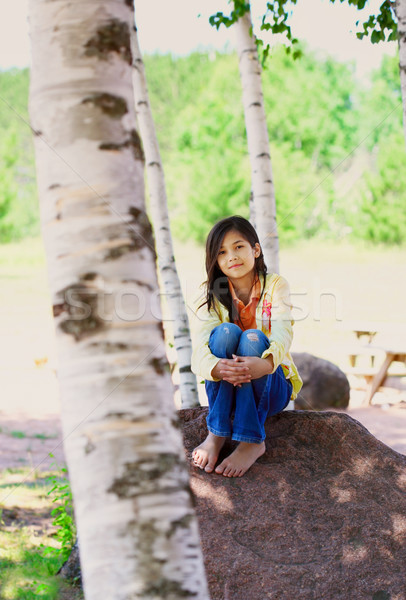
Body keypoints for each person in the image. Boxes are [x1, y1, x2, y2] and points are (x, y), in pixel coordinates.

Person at [191, 215, 302, 478]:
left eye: (238, 247)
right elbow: (199, 351)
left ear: (255, 249)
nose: (232, 256)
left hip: (270, 386)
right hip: (228, 387)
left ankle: (251, 440)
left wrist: (264, 364)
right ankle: (217, 433)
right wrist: (219, 368)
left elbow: (283, 331)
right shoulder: (212, 294)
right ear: (215, 261)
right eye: (222, 252)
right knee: (225, 332)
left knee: (253, 338)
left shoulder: (276, 285)